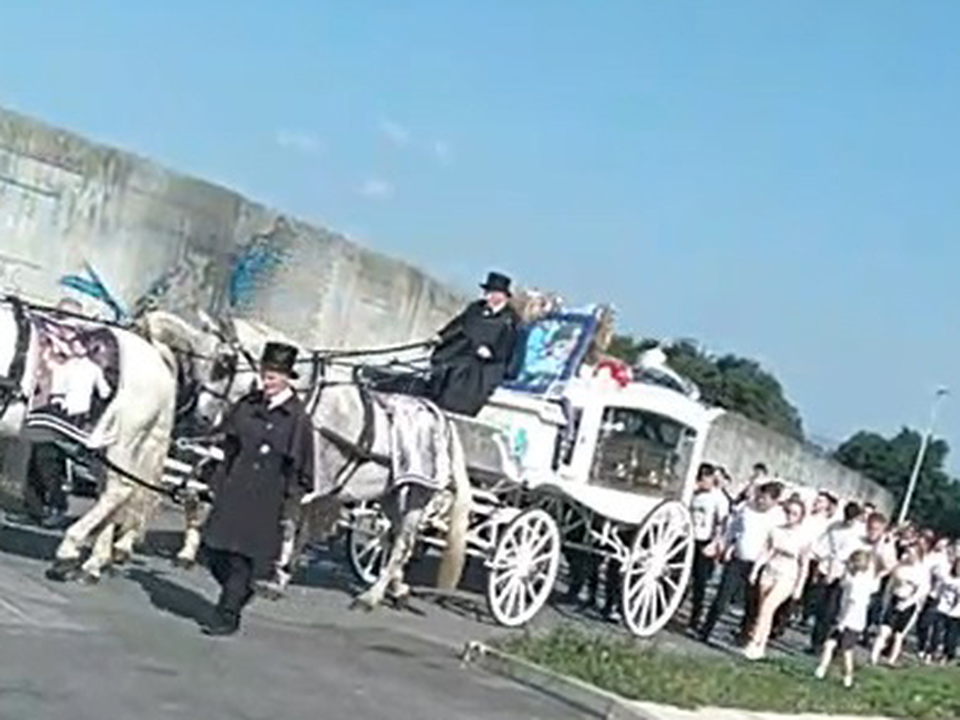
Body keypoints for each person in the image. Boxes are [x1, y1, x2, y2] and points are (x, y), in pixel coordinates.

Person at [200, 342, 314, 637]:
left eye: (273, 376)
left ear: (287, 378)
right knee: (212, 550)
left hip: (266, 499)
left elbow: (300, 466)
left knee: (241, 559)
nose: (267, 381)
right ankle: (240, 592)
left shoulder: (297, 419)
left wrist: (290, 507)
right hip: (234, 487)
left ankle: (227, 615)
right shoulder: (248, 405)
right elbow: (228, 439)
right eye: (265, 374)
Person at [698, 481, 784, 646]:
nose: (760, 501)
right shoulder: (746, 509)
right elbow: (732, 530)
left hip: (759, 565)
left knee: (752, 603)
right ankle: (706, 629)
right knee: (722, 596)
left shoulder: (777, 518)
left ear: (774, 501)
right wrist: (723, 545)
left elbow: (775, 544)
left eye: (765, 499)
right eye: (759, 497)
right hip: (738, 560)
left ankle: (745, 634)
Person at [427, 271, 520, 417]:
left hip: (486, 366)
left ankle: (454, 409)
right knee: (445, 363)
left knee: (466, 381)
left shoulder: (509, 320)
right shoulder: (475, 309)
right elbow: (458, 325)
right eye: (487, 292)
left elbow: (508, 348)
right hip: (463, 354)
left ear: (502, 296)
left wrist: (490, 352)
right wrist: (441, 336)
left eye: (491, 293)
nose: (487, 296)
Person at [743, 497, 811, 660]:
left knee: (768, 607)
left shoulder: (804, 537)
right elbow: (766, 551)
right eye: (788, 512)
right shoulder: (776, 530)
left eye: (795, 514)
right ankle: (761, 644)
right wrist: (755, 570)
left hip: (787, 574)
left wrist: (799, 587)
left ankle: (754, 641)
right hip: (770, 570)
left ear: (801, 516)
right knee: (764, 610)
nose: (790, 516)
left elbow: (804, 564)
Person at [815, 549, 879, 688]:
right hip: (845, 619)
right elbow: (845, 584)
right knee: (829, 644)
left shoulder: (857, 583)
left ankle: (848, 676)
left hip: (851, 622)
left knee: (846, 651)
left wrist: (842, 623)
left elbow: (852, 604)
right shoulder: (856, 580)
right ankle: (821, 669)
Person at [809, 501, 864, 654]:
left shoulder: (859, 532)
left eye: (852, 517)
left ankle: (831, 644)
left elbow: (855, 555)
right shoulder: (834, 527)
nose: (849, 520)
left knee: (833, 610)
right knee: (821, 608)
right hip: (826, 568)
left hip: (843, 573)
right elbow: (821, 545)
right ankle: (816, 643)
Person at [687, 463, 730, 632]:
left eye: (705, 478)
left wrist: (715, 543)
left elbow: (722, 523)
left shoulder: (719, 498)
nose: (702, 481)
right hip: (688, 537)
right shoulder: (694, 493)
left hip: (705, 541)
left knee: (700, 583)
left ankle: (695, 619)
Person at [870, 543, 928, 666]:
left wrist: (908, 603)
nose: (907, 555)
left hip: (909, 604)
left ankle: (891, 660)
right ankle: (873, 658)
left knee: (898, 634)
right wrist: (886, 599)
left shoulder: (922, 571)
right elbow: (891, 584)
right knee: (883, 630)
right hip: (894, 599)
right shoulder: (900, 567)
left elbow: (922, 591)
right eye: (907, 552)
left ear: (918, 555)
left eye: (911, 553)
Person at [920, 556, 960, 665]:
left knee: (951, 635)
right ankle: (932, 652)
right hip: (941, 608)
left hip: (956, 612)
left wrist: (953, 608)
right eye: (957, 566)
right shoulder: (947, 578)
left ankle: (948, 655)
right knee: (936, 631)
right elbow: (939, 590)